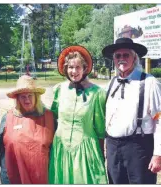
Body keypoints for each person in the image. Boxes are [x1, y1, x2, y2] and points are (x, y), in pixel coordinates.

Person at [102, 37, 161, 184]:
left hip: (138, 149)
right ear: (114, 59)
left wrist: (158, 154)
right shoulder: (111, 83)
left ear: (134, 58)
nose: (121, 59)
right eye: (118, 56)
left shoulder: (149, 82)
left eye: (126, 55)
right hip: (113, 148)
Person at [48, 45, 107, 184]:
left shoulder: (97, 93)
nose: (74, 71)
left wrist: (101, 152)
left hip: (86, 150)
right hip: (61, 148)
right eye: (70, 67)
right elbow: (53, 117)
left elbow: (100, 128)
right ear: (65, 69)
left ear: (85, 68)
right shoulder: (59, 89)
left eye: (78, 67)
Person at [0, 75, 55, 184]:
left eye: (30, 95)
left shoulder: (49, 117)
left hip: (41, 174)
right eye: (23, 96)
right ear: (17, 98)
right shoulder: (8, 117)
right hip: (12, 173)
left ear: (36, 96)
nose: (27, 100)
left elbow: (56, 146)